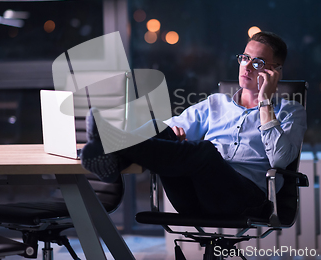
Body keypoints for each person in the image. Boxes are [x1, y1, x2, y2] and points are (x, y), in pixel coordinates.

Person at [81, 31, 307, 218]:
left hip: (246, 202)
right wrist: (168, 137)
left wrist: (265, 102)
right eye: (245, 58)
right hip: (194, 198)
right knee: (162, 129)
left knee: (206, 152)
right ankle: (113, 155)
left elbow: (279, 160)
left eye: (257, 62)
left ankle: (113, 143)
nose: (246, 67)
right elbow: (166, 129)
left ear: (274, 71)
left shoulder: (290, 111)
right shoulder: (215, 104)